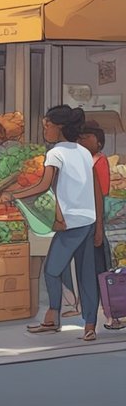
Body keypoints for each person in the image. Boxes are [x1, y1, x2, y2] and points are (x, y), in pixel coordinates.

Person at [17, 106, 103, 342]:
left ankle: (52, 318)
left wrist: (15, 194)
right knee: (86, 275)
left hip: (70, 223)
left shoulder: (55, 153)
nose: (45, 130)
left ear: (60, 127)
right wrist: (98, 226)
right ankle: (90, 326)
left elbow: (44, 186)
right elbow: (93, 190)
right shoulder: (84, 153)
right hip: (87, 220)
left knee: (52, 270)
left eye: (47, 126)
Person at [80, 123, 123, 330]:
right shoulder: (83, 161)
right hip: (89, 220)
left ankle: (112, 315)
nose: (83, 140)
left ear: (98, 141)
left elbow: (102, 190)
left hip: (99, 222)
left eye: (88, 137)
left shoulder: (99, 161)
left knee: (104, 270)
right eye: (81, 137)